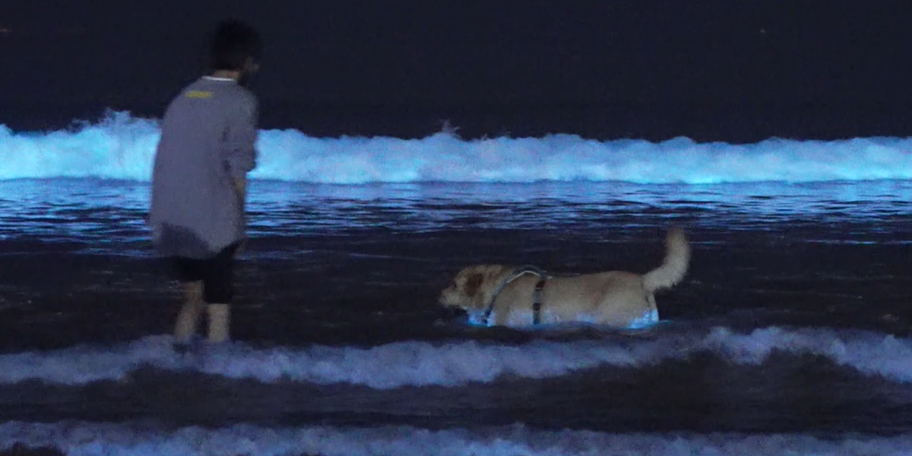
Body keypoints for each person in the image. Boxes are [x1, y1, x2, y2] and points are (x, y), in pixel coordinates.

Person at [148, 19, 261, 346]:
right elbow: (237, 170)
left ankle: (177, 361)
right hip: (209, 223)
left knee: (193, 300)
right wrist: (238, 227)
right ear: (247, 62)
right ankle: (217, 380)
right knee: (219, 307)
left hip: (169, 222)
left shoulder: (185, 96)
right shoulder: (240, 101)